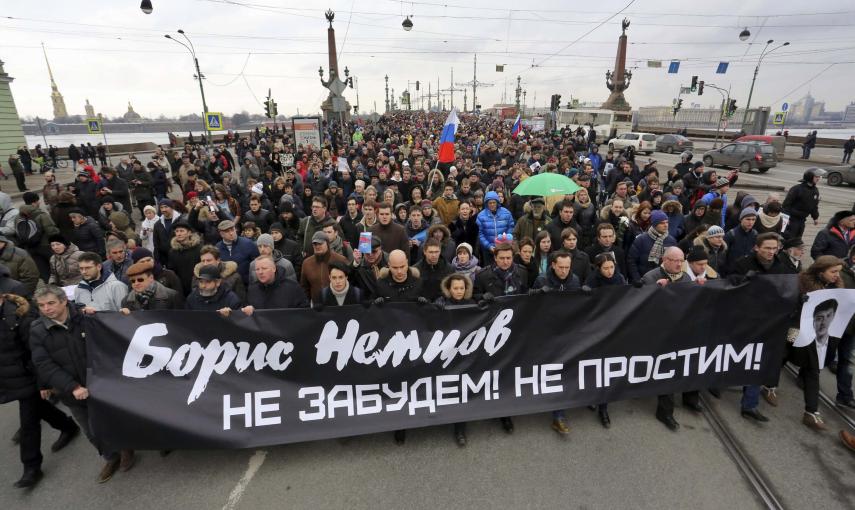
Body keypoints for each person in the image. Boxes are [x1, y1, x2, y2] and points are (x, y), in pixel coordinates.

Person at [29, 286, 135, 483]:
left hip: (101, 383)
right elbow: (43, 364)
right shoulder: (37, 330)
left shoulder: (86, 316)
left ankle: (126, 448)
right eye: (42, 305)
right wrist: (72, 387)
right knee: (91, 430)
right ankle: (110, 457)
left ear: (63, 301)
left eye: (51, 303)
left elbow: (111, 330)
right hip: (72, 392)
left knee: (114, 419)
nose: (47, 309)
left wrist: (123, 315)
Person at [1, 289, 79, 489]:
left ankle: (31, 467)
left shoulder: (18, 316)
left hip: (28, 375)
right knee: (38, 408)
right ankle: (67, 426)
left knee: (28, 422)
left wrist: (42, 383)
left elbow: (37, 353)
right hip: (10, 376)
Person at [792, 261, 844, 430]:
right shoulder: (801, 281)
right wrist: (800, 300)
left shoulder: (837, 289)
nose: (837, 275)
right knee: (782, 356)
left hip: (817, 335)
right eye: (833, 271)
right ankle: (769, 385)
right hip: (794, 329)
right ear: (821, 271)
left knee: (813, 369)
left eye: (838, 272)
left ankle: (811, 412)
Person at [243, 256, 309, 313]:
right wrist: (248, 310)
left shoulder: (292, 288)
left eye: (264, 268)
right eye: (257, 269)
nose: (260, 272)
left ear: (274, 268)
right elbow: (245, 311)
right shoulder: (252, 289)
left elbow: (304, 312)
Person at [627, 210, 677, 283]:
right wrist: (637, 279)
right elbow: (631, 261)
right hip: (644, 281)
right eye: (662, 223)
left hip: (664, 282)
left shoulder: (671, 241)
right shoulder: (641, 239)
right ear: (654, 224)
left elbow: (675, 262)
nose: (666, 225)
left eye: (667, 222)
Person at [300, 231, 348, 303]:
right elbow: (304, 287)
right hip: (316, 306)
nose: (317, 246)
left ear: (327, 243)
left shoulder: (340, 259)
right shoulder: (307, 263)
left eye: (320, 243)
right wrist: (307, 305)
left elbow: (349, 282)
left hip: (338, 304)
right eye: (315, 244)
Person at [476, 191, 515, 266]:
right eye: (490, 203)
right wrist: (489, 246)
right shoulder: (481, 216)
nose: (492, 205)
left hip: (504, 247)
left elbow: (511, 227)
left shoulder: (506, 213)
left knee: (504, 266)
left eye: (494, 202)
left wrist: (506, 238)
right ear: (486, 203)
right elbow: (480, 234)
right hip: (488, 249)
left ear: (497, 202)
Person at [216, 219, 259, 284]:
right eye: (227, 231)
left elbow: (257, 263)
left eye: (232, 230)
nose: (231, 233)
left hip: (247, 285)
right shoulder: (217, 248)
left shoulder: (248, 243)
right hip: (226, 286)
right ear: (221, 234)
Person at [782, 168, 821, 240]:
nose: (818, 178)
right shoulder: (797, 189)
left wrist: (815, 217)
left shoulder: (815, 190)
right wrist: (786, 218)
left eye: (819, 177)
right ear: (809, 177)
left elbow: (814, 205)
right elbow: (786, 205)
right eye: (816, 177)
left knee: (798, 239)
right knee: (789, 239)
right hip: (792, 219)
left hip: (802, 220)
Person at [723, 208, 759, 275]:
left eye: (753, 219)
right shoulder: (731, 234)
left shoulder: (755, 234)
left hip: (748, 272)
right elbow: (723, 255)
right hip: (732, 272)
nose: (751, 222)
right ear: (741, 219)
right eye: (748, 219)